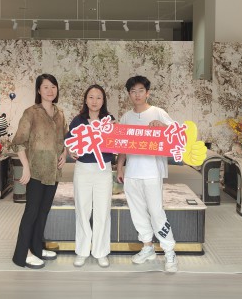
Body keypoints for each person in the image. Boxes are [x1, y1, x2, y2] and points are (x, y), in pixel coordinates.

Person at [116, 75, 178, 273]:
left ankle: (169, 251)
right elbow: (122, 145)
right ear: (129, 94)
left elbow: (177, 134)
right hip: (132, 173)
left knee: (156, 212)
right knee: (137, 212)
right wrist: (120, 167)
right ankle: (147, 247)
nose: (137, 95)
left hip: (152, 172)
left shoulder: (158, 112)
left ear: (147, 93)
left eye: (141, 91)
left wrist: (163, 126)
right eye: (133, 91)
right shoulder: (126, 117)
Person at [11, 74, 68, 269]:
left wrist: (64, 153)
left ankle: (36, 248)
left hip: (53, 171)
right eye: (46, 87)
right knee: (31, 212)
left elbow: (66, 139)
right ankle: (22, 254)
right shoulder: (31, 113)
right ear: (38, 90)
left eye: (53, 86)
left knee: (43, 212)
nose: (50, 90)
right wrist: (26, 168)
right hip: (35, 171)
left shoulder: (60, 113)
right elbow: (18, 143)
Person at [67, 84, 114, 268]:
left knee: (103, 212)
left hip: (103, 171)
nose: (95, 101)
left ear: (103, 101)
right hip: (83, 170)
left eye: (99, 97)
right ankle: (82, 251)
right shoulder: (78, 120)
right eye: (91, 97)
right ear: (86, 100)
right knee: (82, 210)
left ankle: (101, 251)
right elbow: (69, 142)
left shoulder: (110, 121)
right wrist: (70, 150)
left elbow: (117, 143)